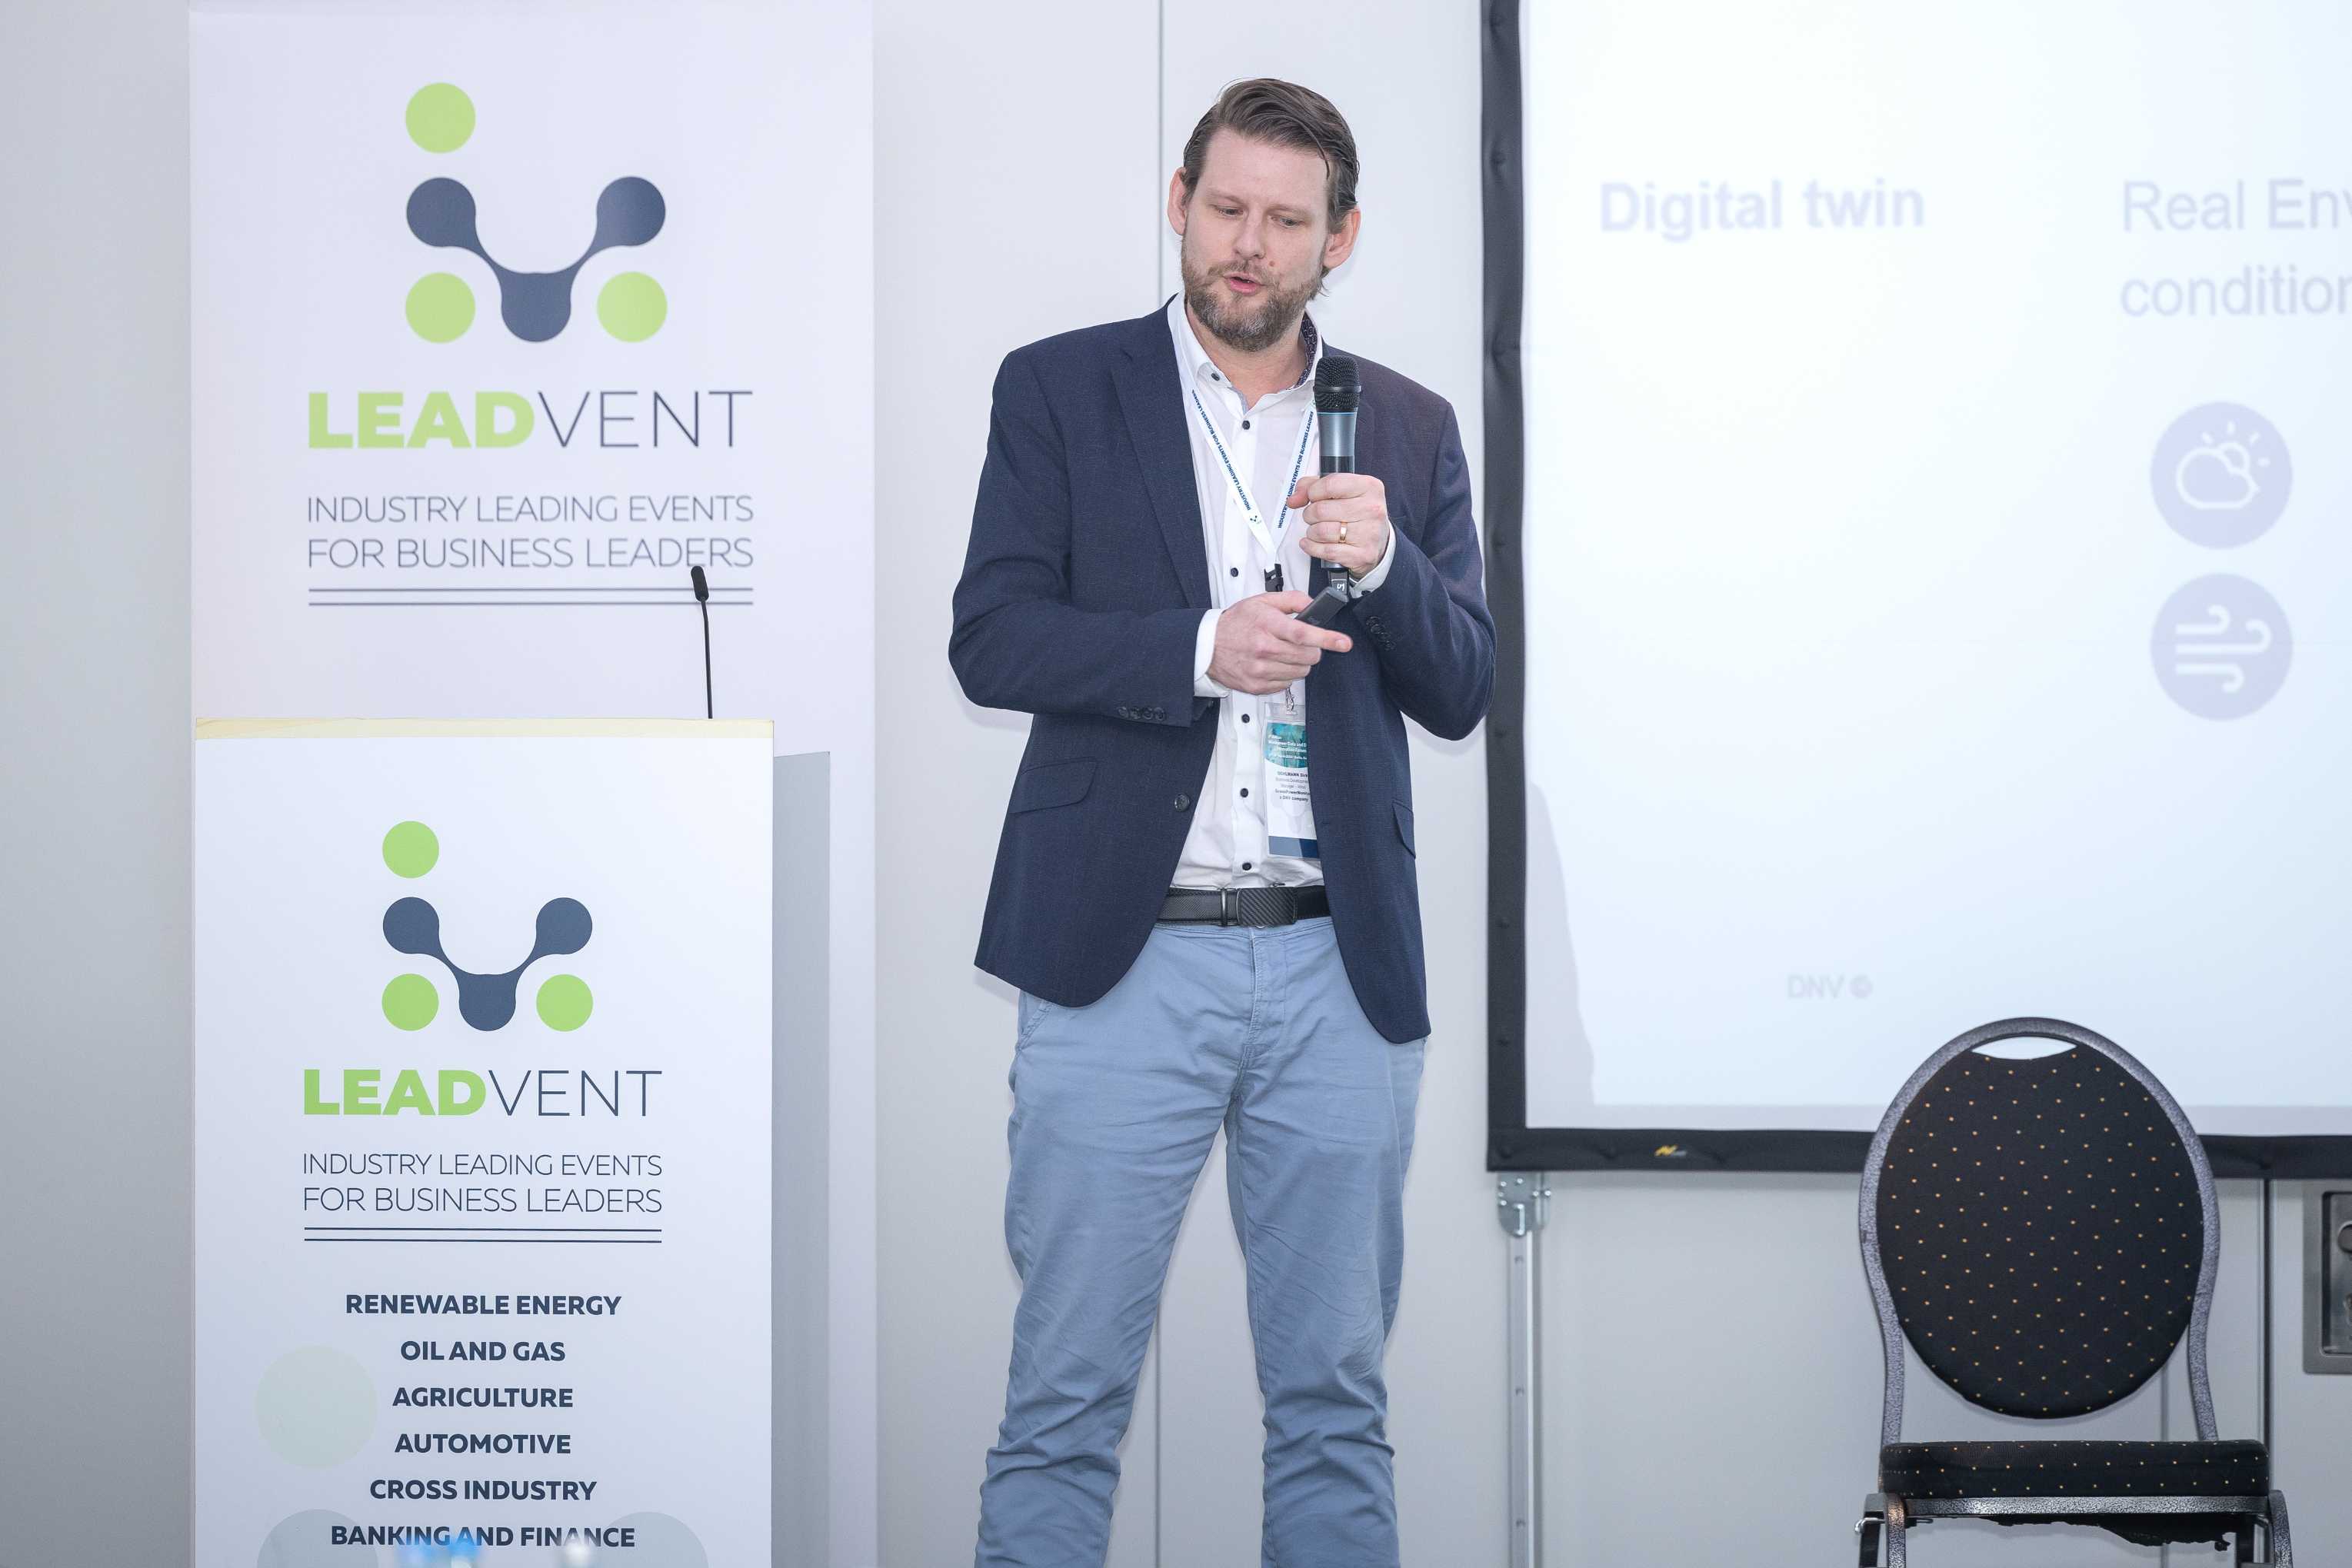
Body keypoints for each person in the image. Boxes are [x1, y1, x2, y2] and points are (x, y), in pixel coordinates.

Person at [950, 77, 1494, 1568]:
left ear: (1340, 239)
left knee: (1333, 1405)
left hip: (1335, 970)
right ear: (1178, 203)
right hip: (1121, 964)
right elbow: (991, 639)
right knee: (1062, 1401)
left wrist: (1387, 568)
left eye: (1285, 221)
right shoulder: (1059, 389)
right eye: (1226, 208)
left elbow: (1462, 690)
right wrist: (1197, 649)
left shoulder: (1406, 423)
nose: (1247, 245)